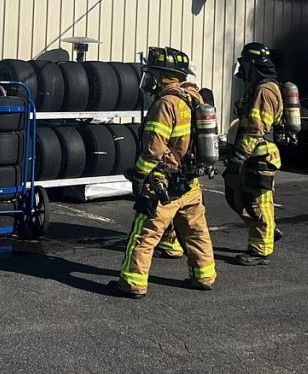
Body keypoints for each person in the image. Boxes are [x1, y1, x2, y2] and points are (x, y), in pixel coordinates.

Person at [112, 46, 217, 298]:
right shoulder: (195, 98)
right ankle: (204, 276)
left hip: (165, 182)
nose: (150, 79)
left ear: (161, 76)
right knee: (196, 230)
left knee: (144, 233)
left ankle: (132, 283)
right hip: (190, 182)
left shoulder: (166, 104)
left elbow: (154, 148)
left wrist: (139, 175)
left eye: (153, 73)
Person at [222, 42, 283, 266]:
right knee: (234, 192)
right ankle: (269, 229)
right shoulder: (255, 88)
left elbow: (257, 127)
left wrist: (240, 154)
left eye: (244, 63)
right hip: (250, 154)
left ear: (253, 65)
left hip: (260, 155)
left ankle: (260, 250)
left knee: (257, 203)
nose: (241, 68)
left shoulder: (265, 90)